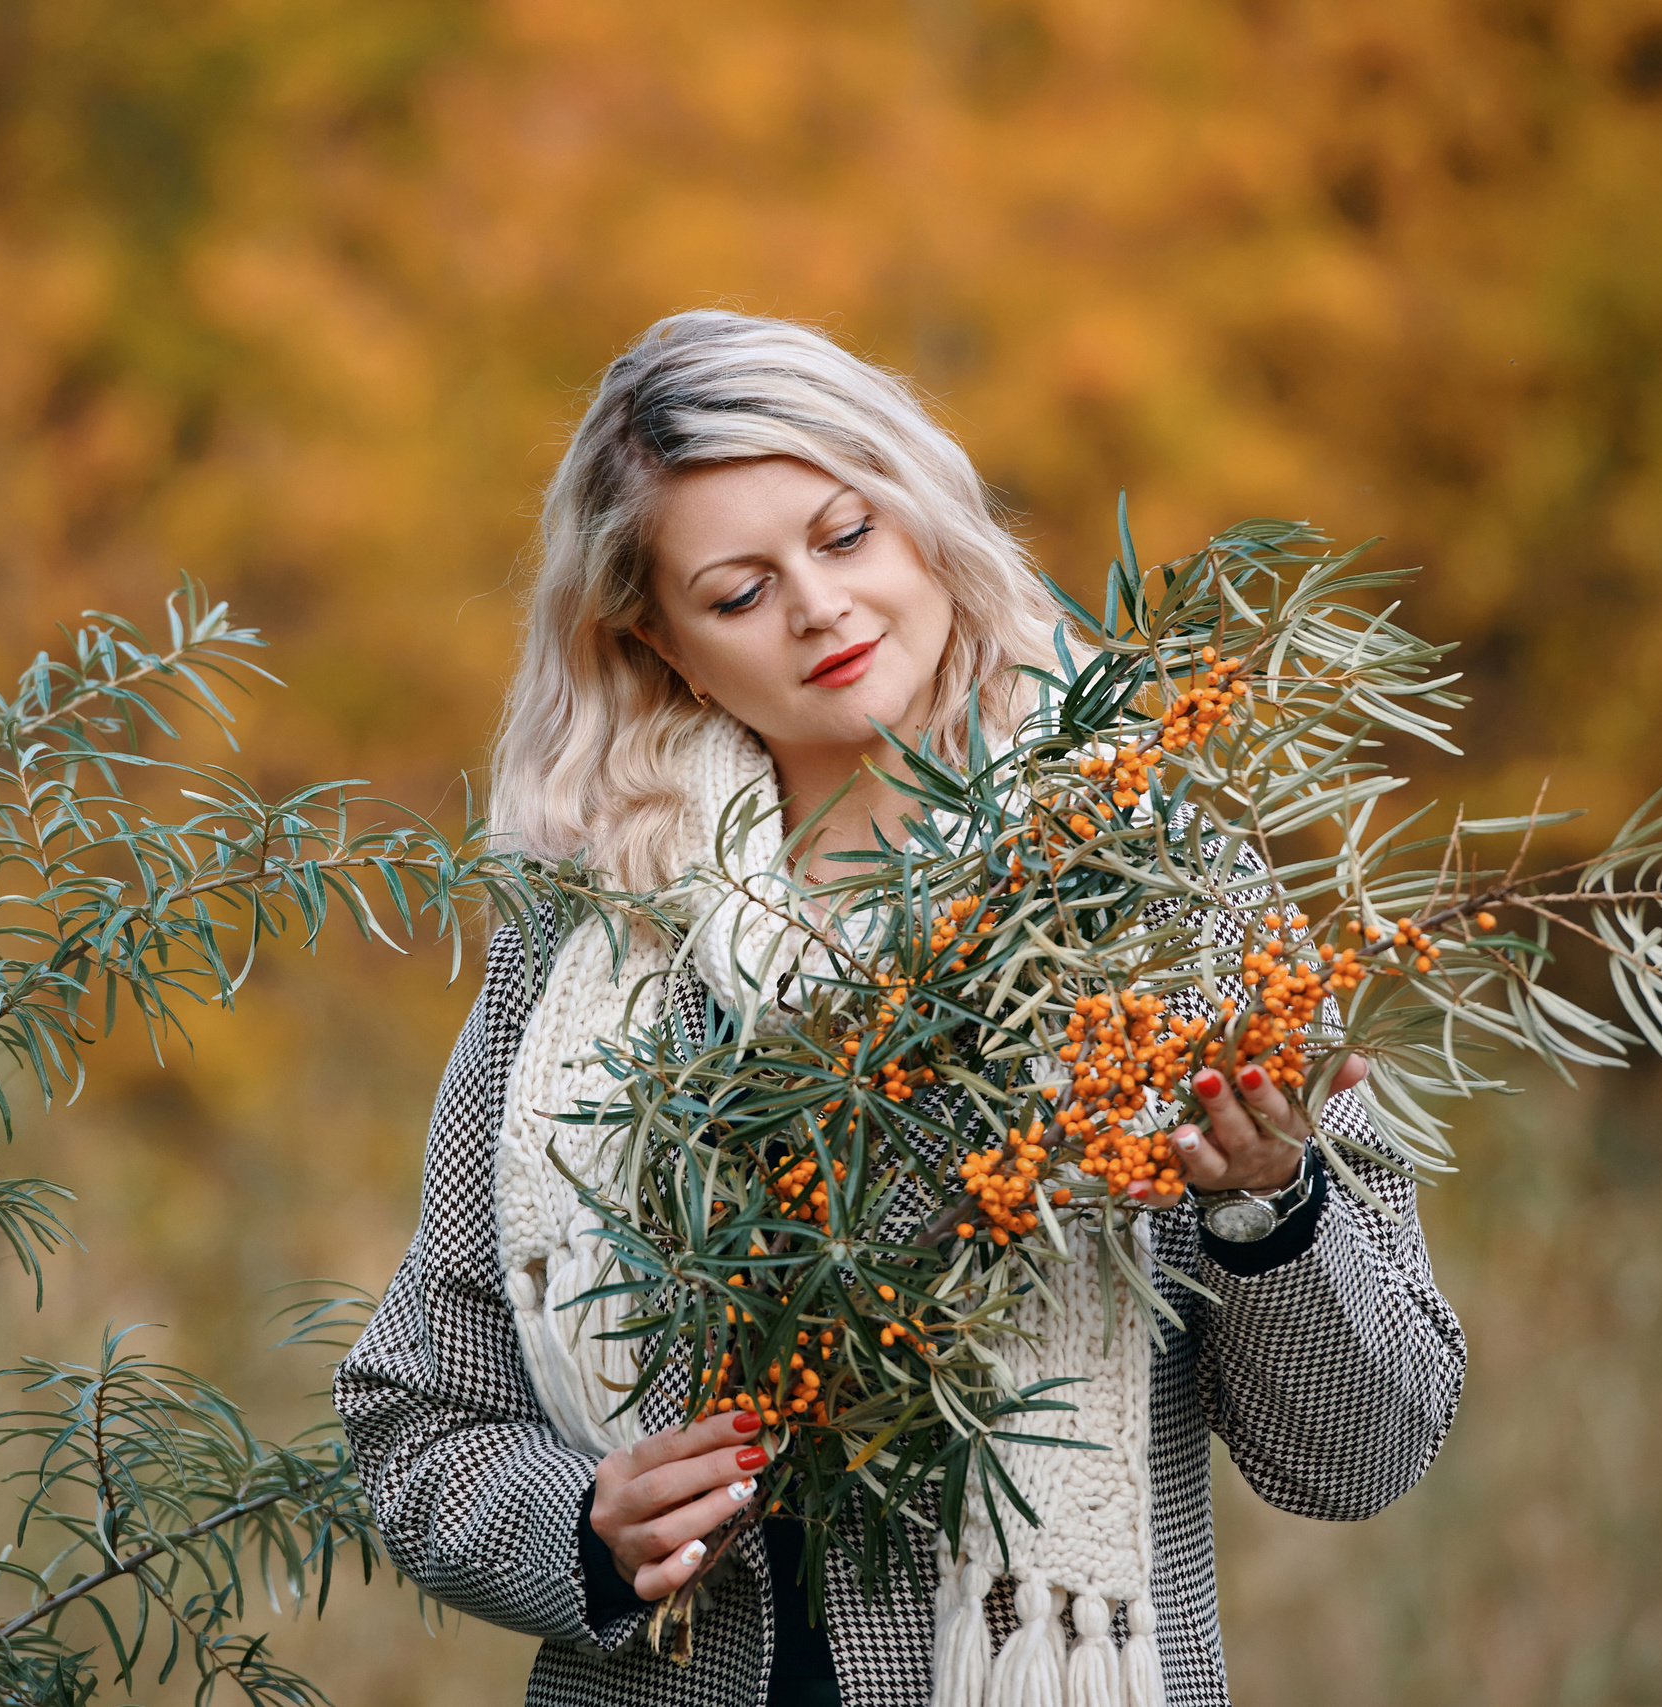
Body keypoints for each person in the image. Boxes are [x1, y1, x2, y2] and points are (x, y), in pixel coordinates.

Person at [332, 310, 1466, 1707]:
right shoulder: (588, 940)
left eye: (848, 533)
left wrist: (1272, 1210)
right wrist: (585, 1529)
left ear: (924, 516)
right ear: (659, 644)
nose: (818, 607)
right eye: (739, 594)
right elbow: (420, 1420)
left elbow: (1368, 1450)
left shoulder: (1159, 894)